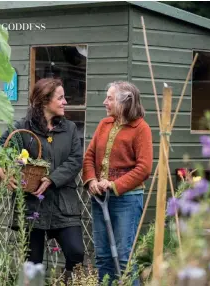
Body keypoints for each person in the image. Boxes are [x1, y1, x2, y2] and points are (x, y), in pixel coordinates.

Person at [0, 78, 84, 280]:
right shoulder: (23, 128)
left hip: (63, 204)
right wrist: (0, 171)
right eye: (61, 98)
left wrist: (51, 179)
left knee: (76, 252)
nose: (65, 102)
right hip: (32, 207)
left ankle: (65, 282)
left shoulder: (70, 128)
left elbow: (75, 160)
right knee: (32, 265)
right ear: (44, 101)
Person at [82, 81, 153, 285]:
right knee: (103, 258)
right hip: (100, 198)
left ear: (125, 102)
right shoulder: (104, 125)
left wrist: (113, 185)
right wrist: (92, 180)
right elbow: (89, 156)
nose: (105, 102)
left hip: (127, 201)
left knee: (124, 260)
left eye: (110, 98)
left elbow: (144, 168)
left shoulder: (141, 129)